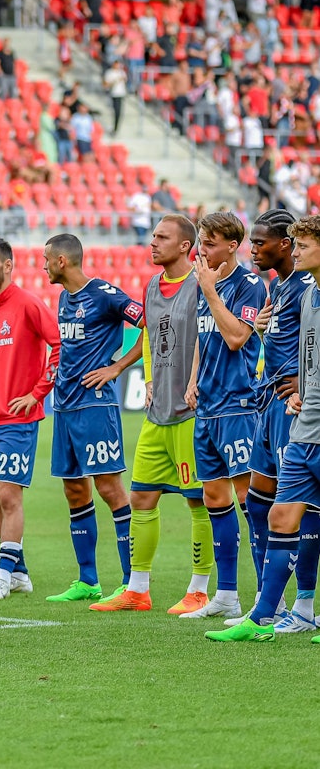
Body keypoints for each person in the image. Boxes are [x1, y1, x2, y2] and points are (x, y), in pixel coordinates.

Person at [91, 215, 214, 614]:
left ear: (185, 246)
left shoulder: (200, 284)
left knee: (200, 501)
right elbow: (147, 335)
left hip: (190, 413)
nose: (153, 242)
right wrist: (147, 379)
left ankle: (199, 589)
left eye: (162, 237)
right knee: (141, 497)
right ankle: (137, 589)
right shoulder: (150, 286)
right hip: (156, 412)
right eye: (153, 236)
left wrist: (195, 382)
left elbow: (208, 339)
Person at [206, 215, 320, 641]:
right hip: (277, 404)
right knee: (266, 507)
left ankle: (300, 605)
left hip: (295, 410)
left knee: (300, 509)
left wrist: (301, 382)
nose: (253, 250)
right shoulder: (291, 288)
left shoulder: (306, 286)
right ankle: (272, 611)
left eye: (261, 242)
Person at [42, 234, 143, 602]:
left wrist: (117, 367)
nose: (43, 266)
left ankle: (132, 582)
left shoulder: (104, 294)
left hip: (95, 405)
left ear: (61, 261)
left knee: (110, 489)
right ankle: (88, 580)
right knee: (73, 489)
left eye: (46, 259)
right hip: (65, 406)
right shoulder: (63, 298)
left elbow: (151, 322)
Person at [0, 237, 60, 600]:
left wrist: (37, 393)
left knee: (8, 496)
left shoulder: (29, 304)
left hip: (18, 421)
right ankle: (19, 573)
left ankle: (2, 576)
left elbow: (59, 345)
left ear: (7, 265)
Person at [179, 212, 266, 620]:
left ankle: (269, 597)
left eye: (210, 243)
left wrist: (211, 291)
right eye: (201, 241)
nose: (203, 250)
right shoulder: (206, 281)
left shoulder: (250, 285)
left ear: (233, 246)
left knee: (251, 501)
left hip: (238, 405)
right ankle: (227, 595)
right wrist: (193, 379)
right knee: (214, 498)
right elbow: (204, 335)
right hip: (209, 406)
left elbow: (235, 337)